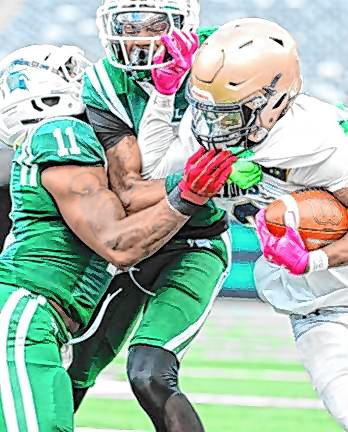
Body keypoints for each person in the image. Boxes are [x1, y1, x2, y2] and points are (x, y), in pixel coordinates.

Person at [184, 18, 348, 431]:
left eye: (229, 115)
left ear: (275, 102)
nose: (213, 127)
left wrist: (313, 260)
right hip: (321, 313)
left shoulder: (314, 139)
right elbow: (149, 178)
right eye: (209, 112)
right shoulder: (200, 138)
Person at [0, 43, 235, 431]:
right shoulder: (63, 134)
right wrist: (188, 192)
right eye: (73, 76)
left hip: (44, 321)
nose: (87, 84)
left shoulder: (57, 144)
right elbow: (118, 244)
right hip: (25, 316)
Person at [68, 2, 234, 431]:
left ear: (184, 22)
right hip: (133, 236)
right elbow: (130, 189)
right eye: (128, 23)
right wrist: (198, 185)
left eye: (152, 23)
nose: (138, 35)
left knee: (150, 373)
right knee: (71, 368)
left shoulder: (226, 53)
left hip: (195, 242)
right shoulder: (104, 82)